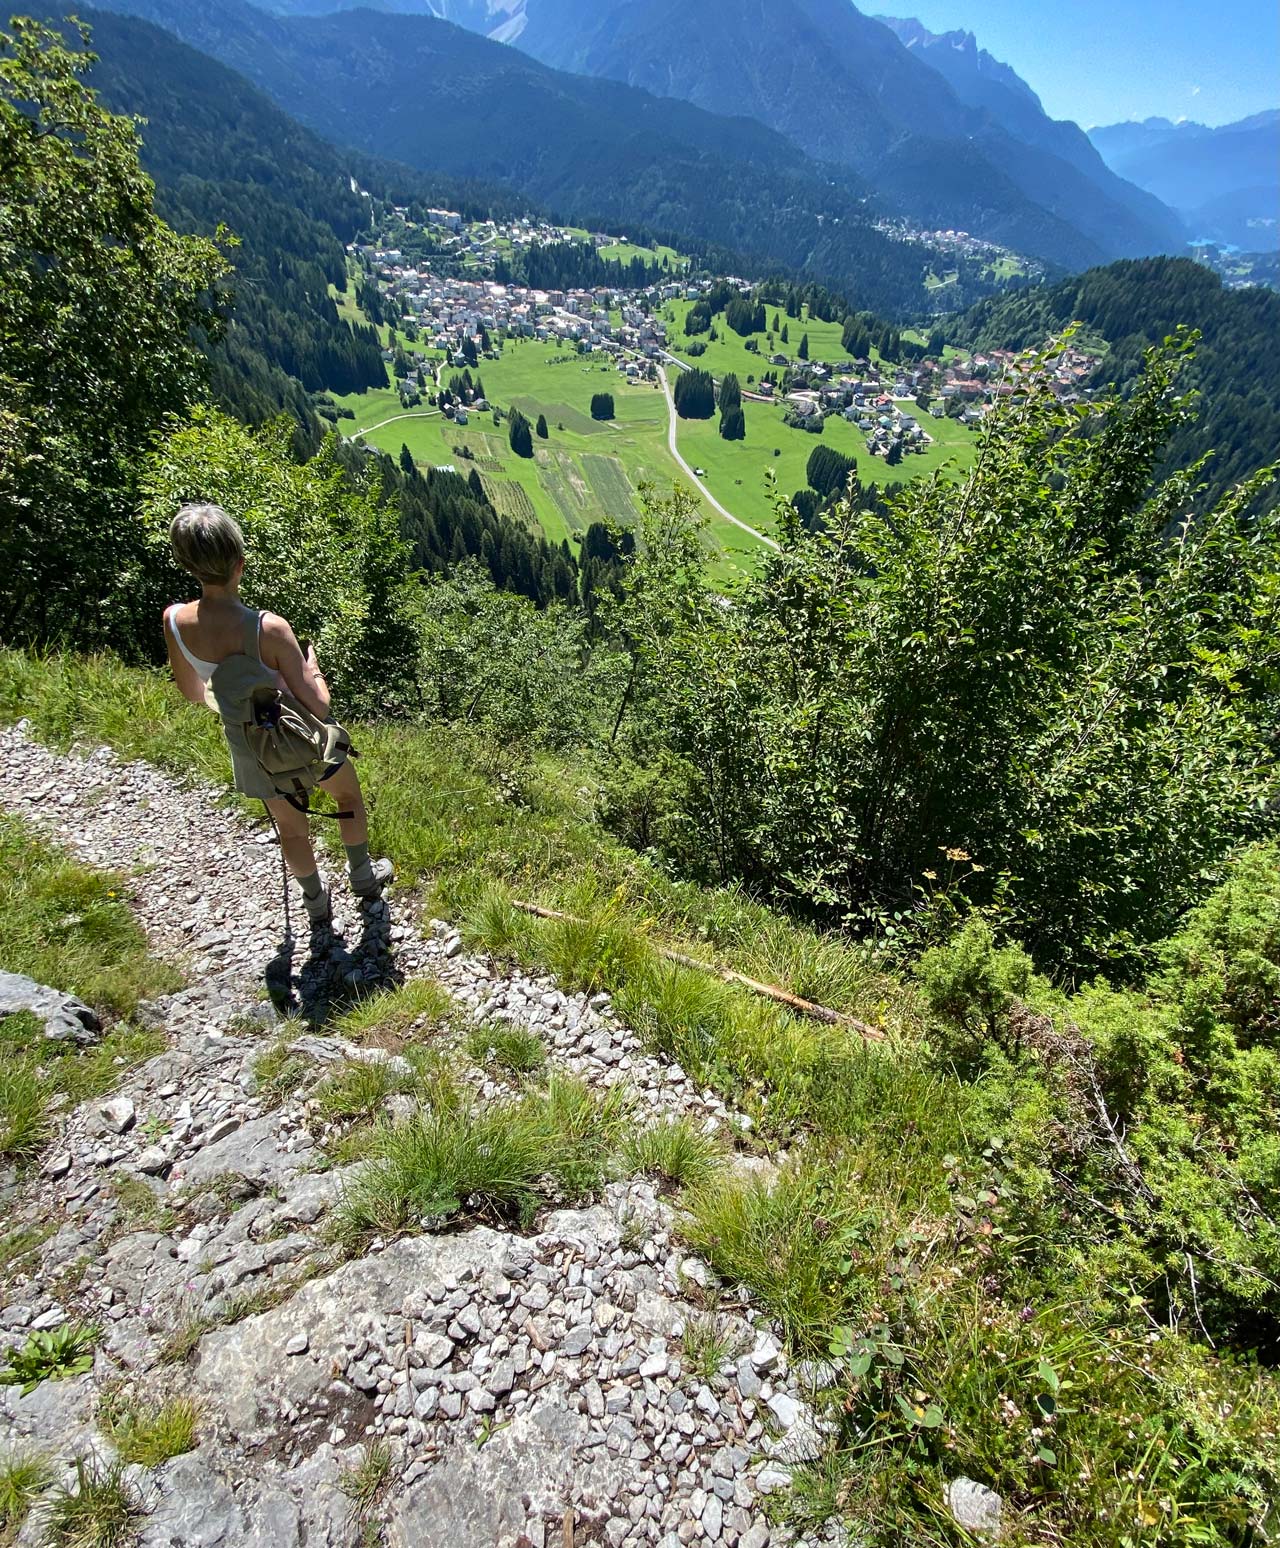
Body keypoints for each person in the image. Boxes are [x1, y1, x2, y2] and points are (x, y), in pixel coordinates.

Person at [162, 502, 391, 925]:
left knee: (290, 829)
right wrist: (315, 670)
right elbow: (317, 705)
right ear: (240, 563)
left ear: (187, 564)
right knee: (347, 797)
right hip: (301, 737)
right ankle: (362, 878)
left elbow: (193, 692)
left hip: (250, 747)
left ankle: (315, 904)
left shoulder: (175, 621)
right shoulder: (267, 628)